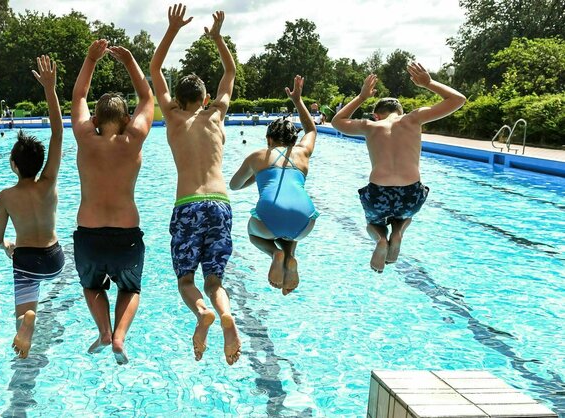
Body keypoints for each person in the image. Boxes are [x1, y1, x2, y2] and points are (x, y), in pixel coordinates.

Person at [150, 4, 241, 365]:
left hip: (187, 205)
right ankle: (225, 315)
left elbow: (155, 69)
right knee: (214, 281)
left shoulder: (172, 117)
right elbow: (230, 71)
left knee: (186, 281)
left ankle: (202, 313)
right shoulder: (216, 114)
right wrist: (218, 38)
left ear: (177, 99)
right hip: (220, 203)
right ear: (204, 99)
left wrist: (172, 29)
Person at [331, 64, 465, 272]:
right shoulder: (414, 118)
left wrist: (362, 97)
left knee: (372, 225)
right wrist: (429, 83)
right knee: (405, 214)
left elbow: (337, 122)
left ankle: (381, 239)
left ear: (377, 115)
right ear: (400, 111)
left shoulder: (370, 126)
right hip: (410, 194)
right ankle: (399, 231)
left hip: (378, 193)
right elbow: (459, 100)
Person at [71, 40, 154, 365]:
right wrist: (131, 60)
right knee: (130, 290)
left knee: (93, 288)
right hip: (126, 235)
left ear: (94, 118)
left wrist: (91, 59)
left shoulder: (84, 135)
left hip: (89, 235)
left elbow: (78, 96)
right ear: (126, 119)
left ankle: (104, 331)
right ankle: (119, 336)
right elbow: (147, 96)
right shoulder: (133, 138)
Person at [0, 56, 64, 359]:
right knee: (46, 271)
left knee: (22, 312)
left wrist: (8, 246)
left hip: (25, 261)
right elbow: (58, 132)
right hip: (54, 259)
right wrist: (50, 88)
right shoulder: (47, 182)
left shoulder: (6, 196)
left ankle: (27, 321)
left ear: (13, 164)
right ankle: (29, 320)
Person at [230, 76, 318, 295]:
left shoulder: (259, 156)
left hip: (268, 220)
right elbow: (311, 131)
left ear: (269, 139)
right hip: (306, 222)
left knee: (254, 233)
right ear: (292, 140)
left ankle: (275, 255)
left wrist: (257, 174)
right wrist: (298, 101)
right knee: (288, 233)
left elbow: (234, 185)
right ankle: (289, 258)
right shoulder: (302, 153)